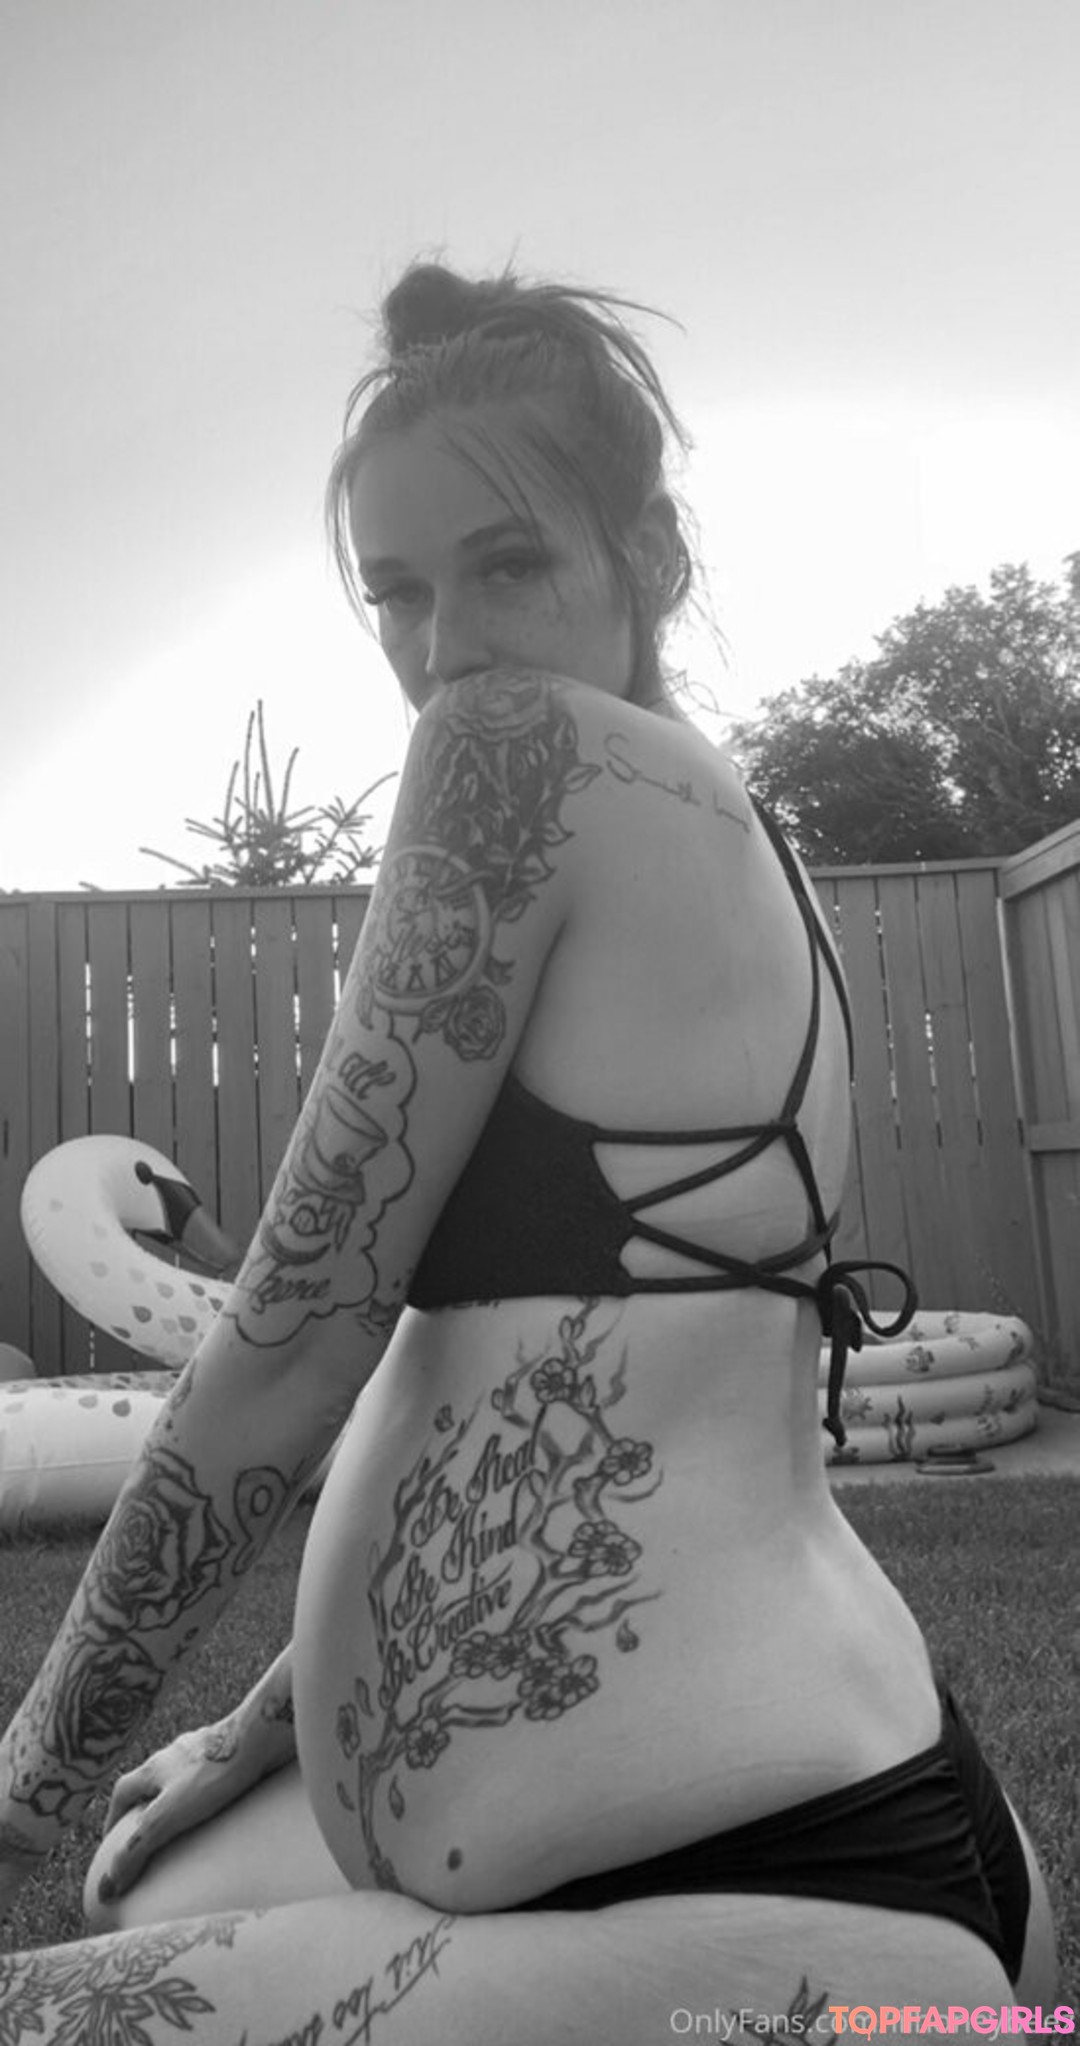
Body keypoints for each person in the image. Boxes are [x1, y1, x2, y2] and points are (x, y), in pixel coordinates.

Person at [0, 258, 1059, 2041]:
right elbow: (571, 1394)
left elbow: (292, 1342)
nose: (446, 648)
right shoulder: (752, 848)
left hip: (754, 1891)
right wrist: (271, 1716)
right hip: (871, 1822)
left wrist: (23, 1783)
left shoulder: (516, 755)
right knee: (145, 1885)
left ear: (651, 556)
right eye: (397, 592)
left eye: (505, 565)